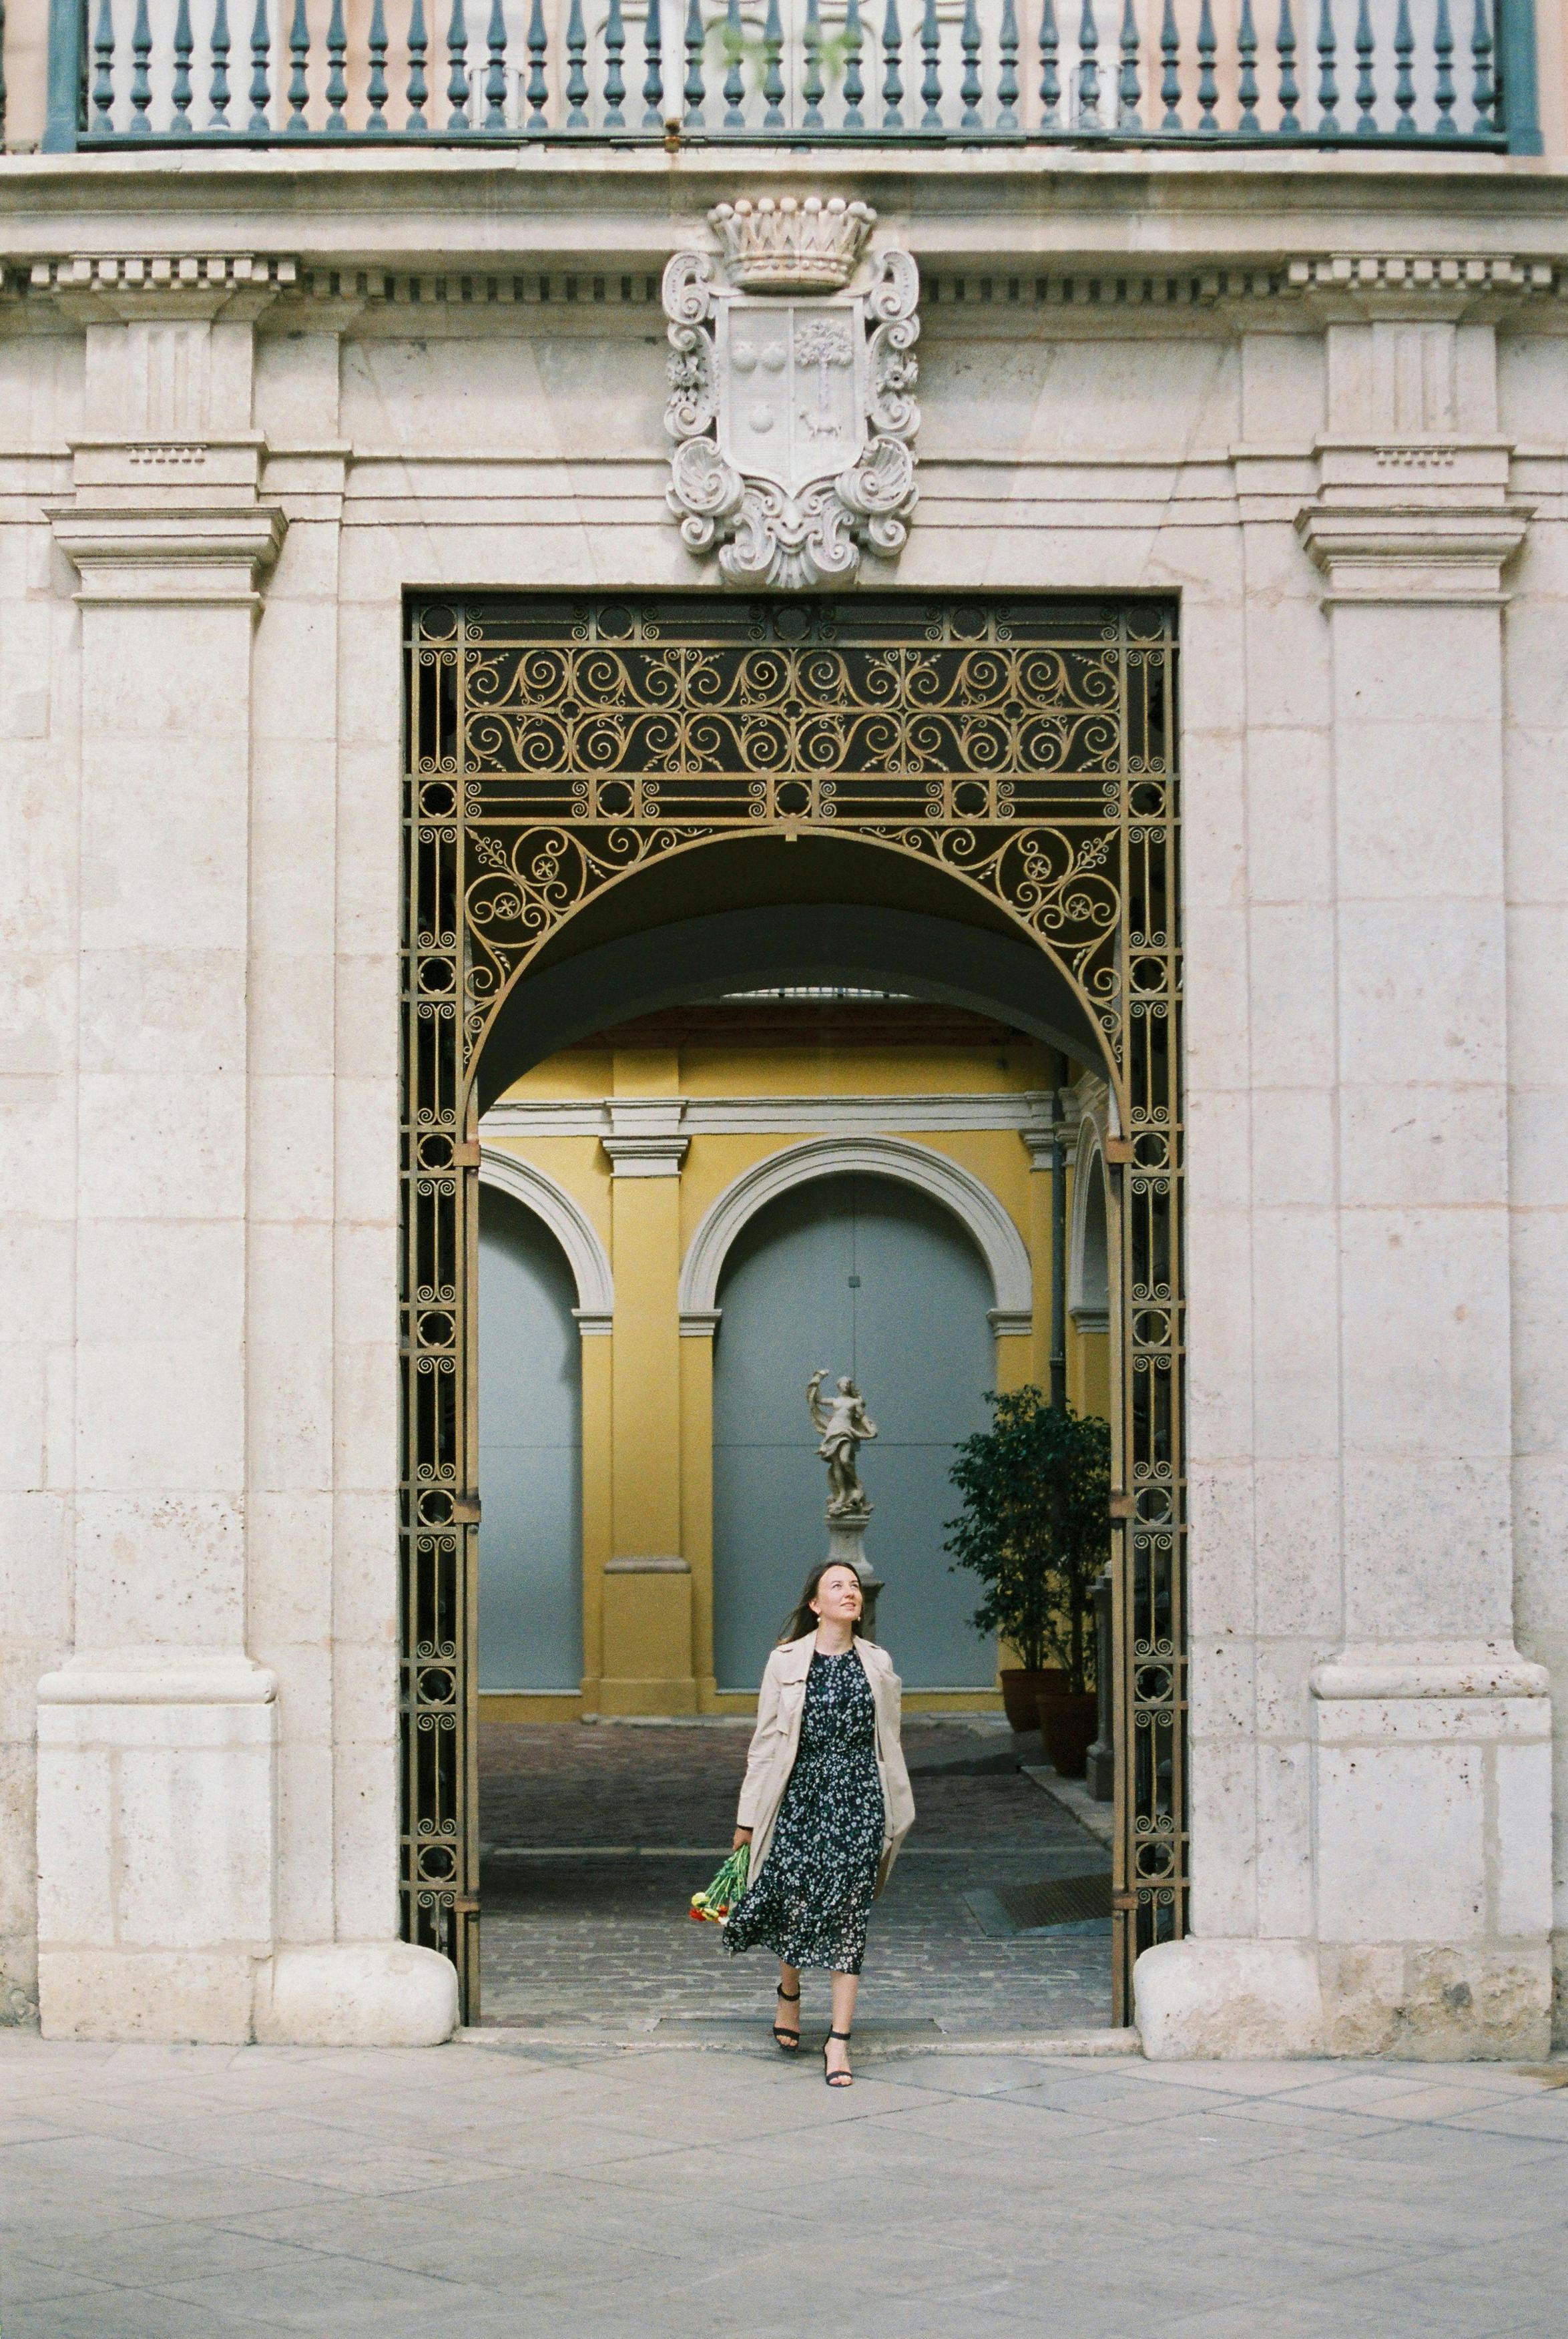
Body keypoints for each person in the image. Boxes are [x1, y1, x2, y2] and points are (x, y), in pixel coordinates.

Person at [722, 1560, 914, 2088]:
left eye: (853, 1586)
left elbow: (888, 1743)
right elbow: (763, 1745)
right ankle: (789, 1994)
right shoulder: (783, 1661)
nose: (849, 1592)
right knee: (794, 1900)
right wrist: (746, 1818)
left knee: (850, 1912)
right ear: (815, 1603)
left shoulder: (877, 1662)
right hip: (799, 1798)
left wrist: (894, 1807)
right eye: (837, 1585)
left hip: (858, 1801)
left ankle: (839, 2039)